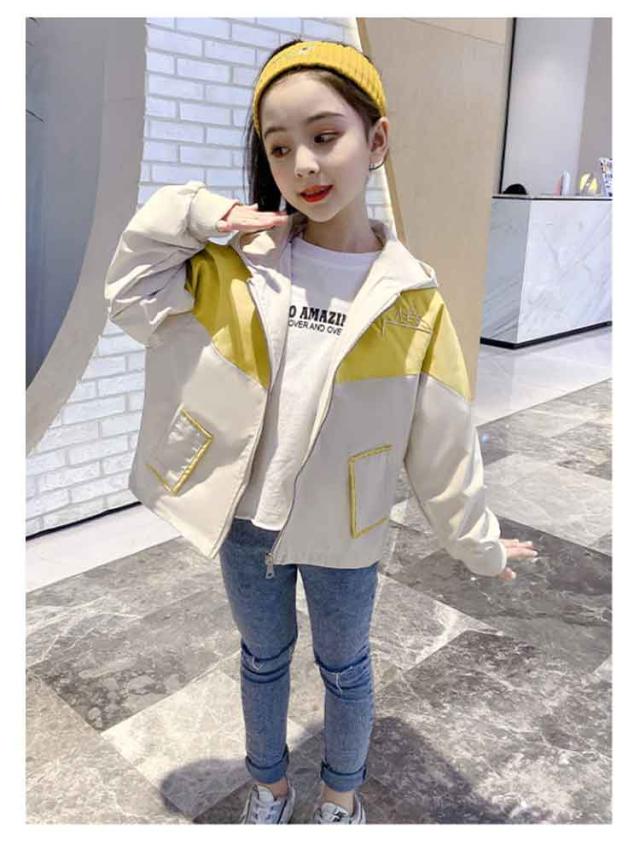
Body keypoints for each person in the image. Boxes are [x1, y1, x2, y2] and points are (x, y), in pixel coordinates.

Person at [104, 38, 538, 825]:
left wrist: (479, 544)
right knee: (262, 658)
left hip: (346, 527)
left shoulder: (413, 299)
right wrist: (205, 214)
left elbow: (444, 448)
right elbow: (129, 289)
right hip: (246, 522)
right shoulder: (237, 266)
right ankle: (270, 787)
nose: (303, 163)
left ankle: (341, 796)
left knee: (345, 666)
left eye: (325, 135)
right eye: (279, 146)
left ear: (376, 140)